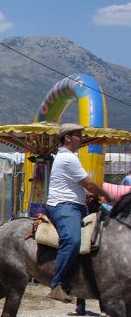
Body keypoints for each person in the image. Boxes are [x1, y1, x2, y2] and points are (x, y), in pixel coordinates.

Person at [46, 123, 114, 302]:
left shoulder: (68, 157)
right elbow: (89, 184)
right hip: (63, 206)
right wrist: (108, 195)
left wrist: (88, 195)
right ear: (68, 138)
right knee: (73, 240)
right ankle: (56, 284)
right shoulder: (68, 158)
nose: (82, 139)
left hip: (75, 205)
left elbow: (79, 186)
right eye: (79, 135)